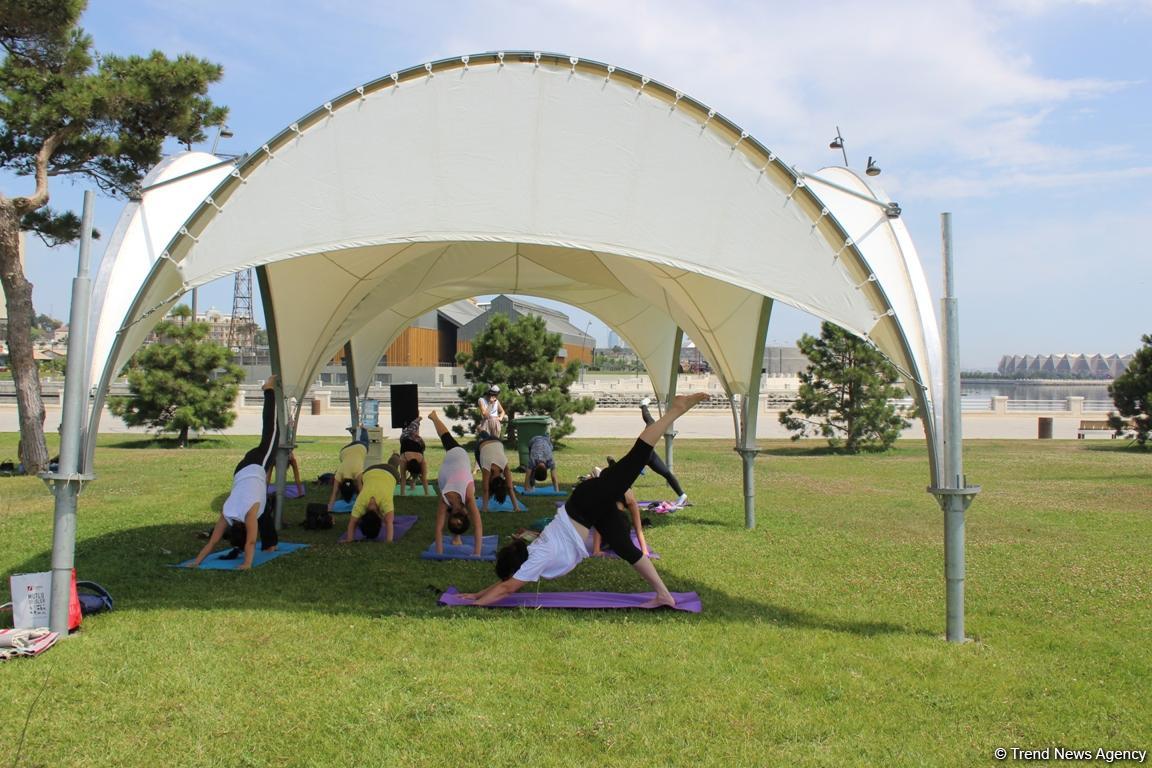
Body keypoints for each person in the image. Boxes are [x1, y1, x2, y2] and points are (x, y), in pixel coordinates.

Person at [458, 392, 708, 608]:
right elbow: (506, 583)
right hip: (587, 509)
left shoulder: (535, 560)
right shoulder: (529, 554)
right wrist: (475, 594)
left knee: (636, 457)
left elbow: (507, 588)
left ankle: (676, 409)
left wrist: (477, 604)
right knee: (623, 546)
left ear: (517, 568)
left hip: (587, 505)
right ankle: (664, 594)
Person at [188, 375, 281, 570]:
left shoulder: (249, 514)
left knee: (272, 432)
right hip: (240, 470)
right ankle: (271, 542)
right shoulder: (227, 513)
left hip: (256, 464)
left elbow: (250, 543)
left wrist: (247, 563)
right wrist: (196, 562)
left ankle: (268, 390)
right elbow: (212, 543)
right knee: (263, 510)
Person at [428, 410, 484, 557]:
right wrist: (476, 554)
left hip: (454, 462)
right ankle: (434, 417)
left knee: (446, 438)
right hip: (448, 471)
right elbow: (439, 528)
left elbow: (439, 529)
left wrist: (439, 554)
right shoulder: (466, 497)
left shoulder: (450, 498)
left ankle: (434, 417)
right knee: (446, 438)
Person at [623, 397, 689, 507]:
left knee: (666, 473)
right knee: (628, 478)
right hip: (641, 455)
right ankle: (622, 498)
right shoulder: (649, 430)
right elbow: (649, 421)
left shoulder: (654, 427)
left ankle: (682, 495)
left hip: (650, 455)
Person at [341, 454, 401, 542]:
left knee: (393, 466)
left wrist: (349, 539)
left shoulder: (385, 501)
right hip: (370, 471)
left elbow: (389, 523)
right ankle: (395, 456)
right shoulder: (360, 502)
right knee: (392, 465)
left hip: (390, 473)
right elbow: (352, 523)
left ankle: (395, 457)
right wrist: (349, 539)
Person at [475, 431, 520, 513]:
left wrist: (517, 508)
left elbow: (510, 487)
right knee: (486, 482)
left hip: (497, 441)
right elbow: (485, 489)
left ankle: (482, 431)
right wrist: (484, 508)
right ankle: (482, 432)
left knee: (486, 437)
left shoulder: (504, 466)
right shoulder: (487, 468)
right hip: (482, 446)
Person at [327, 427, 370, 511]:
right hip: (344, 451)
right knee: (362, 442)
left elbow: (334, 493)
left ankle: (363, 430)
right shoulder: (339, 473)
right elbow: (361, 492)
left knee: (365, 442)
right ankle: (362, 430)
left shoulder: (357, 473)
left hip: (357, 448)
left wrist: (330, 507)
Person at [398, 416, 430, 496]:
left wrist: (427, 494)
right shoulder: (403, 459)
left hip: (409, 440)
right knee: (413, 426)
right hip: (416, 440)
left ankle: (413, 482)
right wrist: (402, 494)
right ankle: (418, 419)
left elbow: (424, 478)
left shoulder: (421, 460)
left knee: (411, 427)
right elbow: (403, 478)